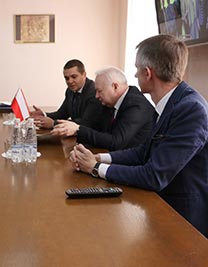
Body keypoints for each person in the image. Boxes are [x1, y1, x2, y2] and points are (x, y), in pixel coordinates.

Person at [70, 34, 208, 237]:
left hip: (185, 221)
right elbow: (144, 151)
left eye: (136, 70)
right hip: (163, 209)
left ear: (147, 73)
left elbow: (154, 175)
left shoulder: (190, 109)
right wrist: (99, 158)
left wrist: (95, 168)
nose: (134, 76)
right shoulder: (171, 102)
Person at [51, 66, 155, 151]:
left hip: (134, 165)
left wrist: (78, 129)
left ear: (115, 86)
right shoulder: (110, 102)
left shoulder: (137, 105)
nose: (96, 96)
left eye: (99, 91)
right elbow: (95, 127)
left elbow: (115, 142)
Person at [30, 59, 111, 130]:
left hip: (92, 138)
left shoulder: (94, 92)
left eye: (74, 77)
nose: (70, 81)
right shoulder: (70, 90)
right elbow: (62, 113)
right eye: (66, 78)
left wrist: (53, 124)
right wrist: (44, 114)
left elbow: (86, 122)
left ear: (84, 75)